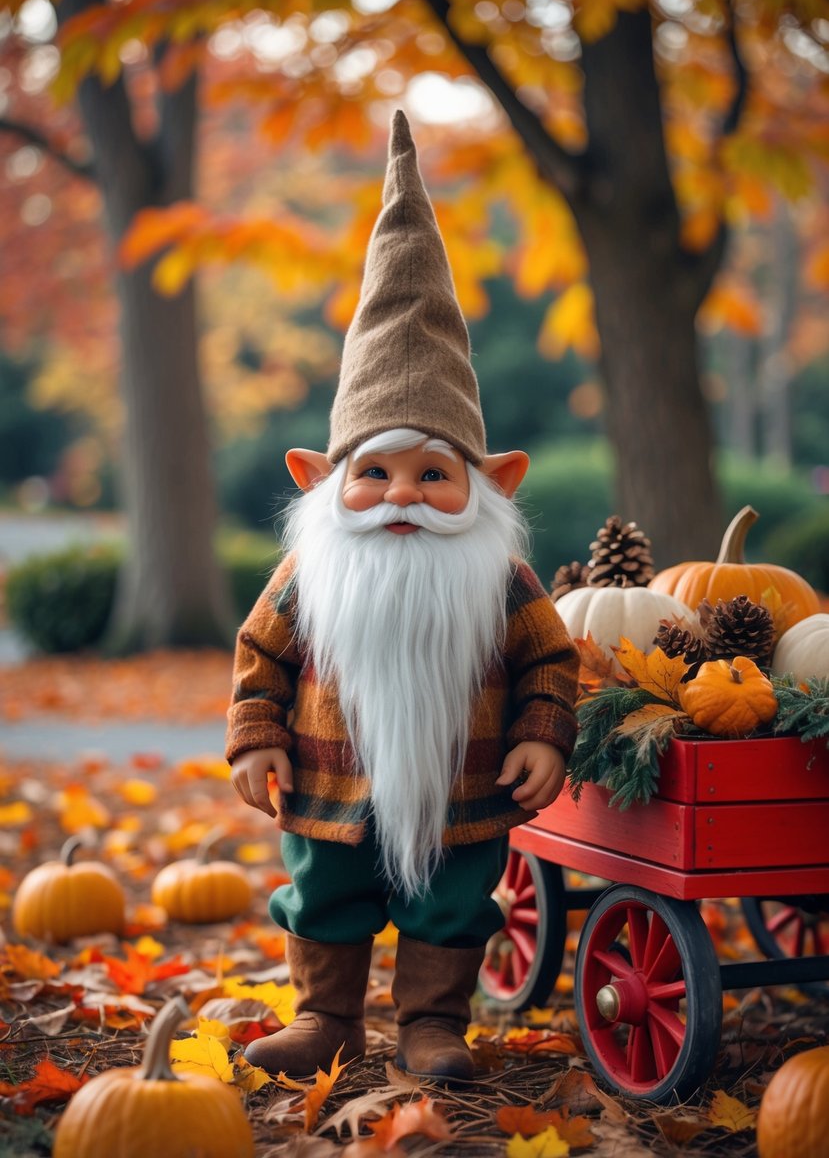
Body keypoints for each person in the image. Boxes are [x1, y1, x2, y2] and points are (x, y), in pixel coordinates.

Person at [226, 110, 579, 1083]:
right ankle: (326, 1015)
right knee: (323, 894)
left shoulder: (497, 577)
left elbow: (550, 657)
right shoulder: (310, 570)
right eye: (374, 473)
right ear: (321, 479)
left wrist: (542, 735)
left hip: (463, 789)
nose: (401, 497)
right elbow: (260, 653)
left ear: (491, 483)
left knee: (452, 901)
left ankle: (432, 1022)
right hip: (328, 786)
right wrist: (255, 736)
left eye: (433, 475)